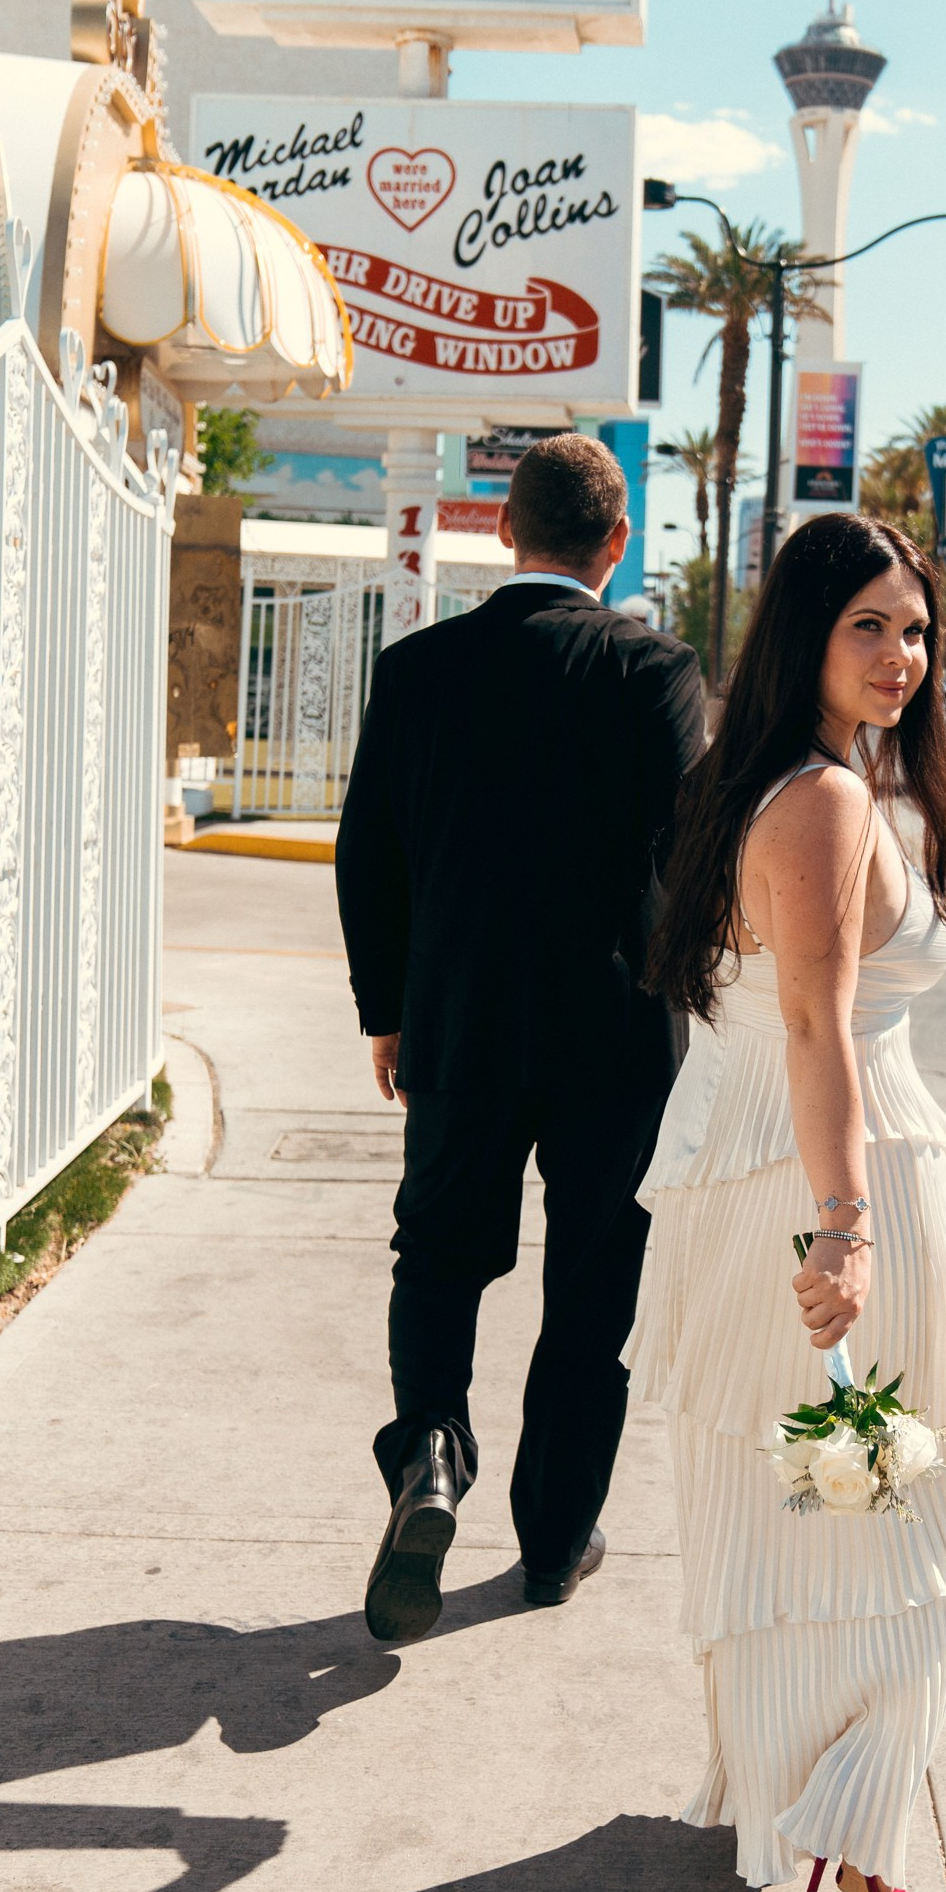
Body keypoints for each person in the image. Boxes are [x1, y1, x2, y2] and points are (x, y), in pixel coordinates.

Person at [631, 512, 946, 1892]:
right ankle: (837, 1797)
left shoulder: (807, 787)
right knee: (913, 1511)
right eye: (868, 625)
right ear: (803, 632)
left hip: (772, 1169)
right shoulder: (824, 803)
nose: (902, 655)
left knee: (821, 1495)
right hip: (823, 1177)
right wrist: (847, 1228)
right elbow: (813, 1027)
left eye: (917, 629)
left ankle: (804, 1791)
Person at [335, 433, 704, 1643]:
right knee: (592, 1291)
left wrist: (388, 1011)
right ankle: (553, 1543)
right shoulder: (656, 673)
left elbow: (367, 857)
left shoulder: (420, 669)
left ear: (503, 528)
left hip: (462, 1024)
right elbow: (693, 856)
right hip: (616, 1040)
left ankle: (431, 1454)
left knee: (438, 1257)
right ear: (619, 541)